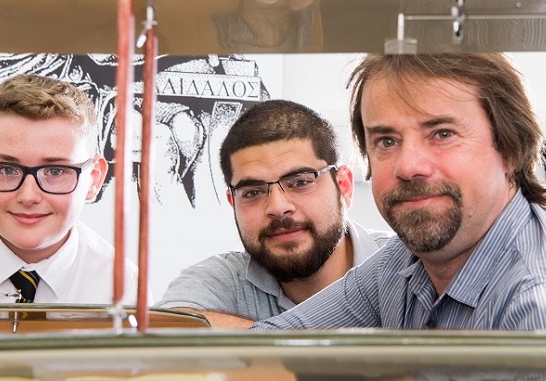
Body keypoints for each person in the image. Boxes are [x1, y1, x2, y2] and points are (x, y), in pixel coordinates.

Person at [253, 53, 546, 331]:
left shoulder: (542, 306)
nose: (408, 166)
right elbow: (274, 345)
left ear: (510, 148)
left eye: (442, 133)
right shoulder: (402, 262)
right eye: (386, 141)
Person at [155, 99, 391, 327]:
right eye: (253, 192)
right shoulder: (221, 279)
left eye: (300, 182)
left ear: (344, 186)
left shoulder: (410, 265)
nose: (278, 207)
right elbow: (162, 330)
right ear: (233, 203)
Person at [0, 73, 139, 305]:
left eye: (55, 172)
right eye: (7, 170)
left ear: (94, 179)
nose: (28, 196)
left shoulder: (123, 288)